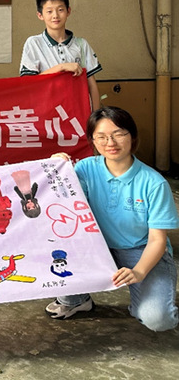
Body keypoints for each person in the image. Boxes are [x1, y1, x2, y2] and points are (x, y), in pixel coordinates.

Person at [48, 106, 179, 331]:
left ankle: (149, 301)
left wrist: (138, 271)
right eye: (101, 136)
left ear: (132, 136)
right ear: (93, 140)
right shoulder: (85, 168)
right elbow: (60, 203)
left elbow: (157, 240)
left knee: (158, 320)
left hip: (140, 250)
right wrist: (54, 168)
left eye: (118, 134)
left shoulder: (153, 183)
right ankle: (77, 300)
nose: (110, 142)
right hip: (98, 247)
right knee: (57, 252)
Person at [19, 0, 101, 110]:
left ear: (68, 11)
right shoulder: (34, 43)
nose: (55, 15)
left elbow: (91, 85)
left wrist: (96, 115)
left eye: (60, 10)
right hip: (47, 111)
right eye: (49, 11)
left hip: (77, 110)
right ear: (40, 15)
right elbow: (28, 83)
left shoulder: (81, 44)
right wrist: (61, 68)